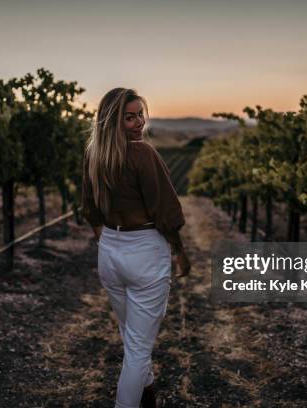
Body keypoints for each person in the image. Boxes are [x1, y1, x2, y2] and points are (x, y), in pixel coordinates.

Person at [81, 87, 192, 408]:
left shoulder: (93, 154)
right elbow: (166, 211)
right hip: (144, 251)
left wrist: (109, 242)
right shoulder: (143, 153)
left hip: (110, 253)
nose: (138, 122)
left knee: (132, 336)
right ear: (111, 121)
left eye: (140, 114)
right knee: (139, 348)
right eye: (129, 117)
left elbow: (89, 209)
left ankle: (148, 393)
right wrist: (180, 251)